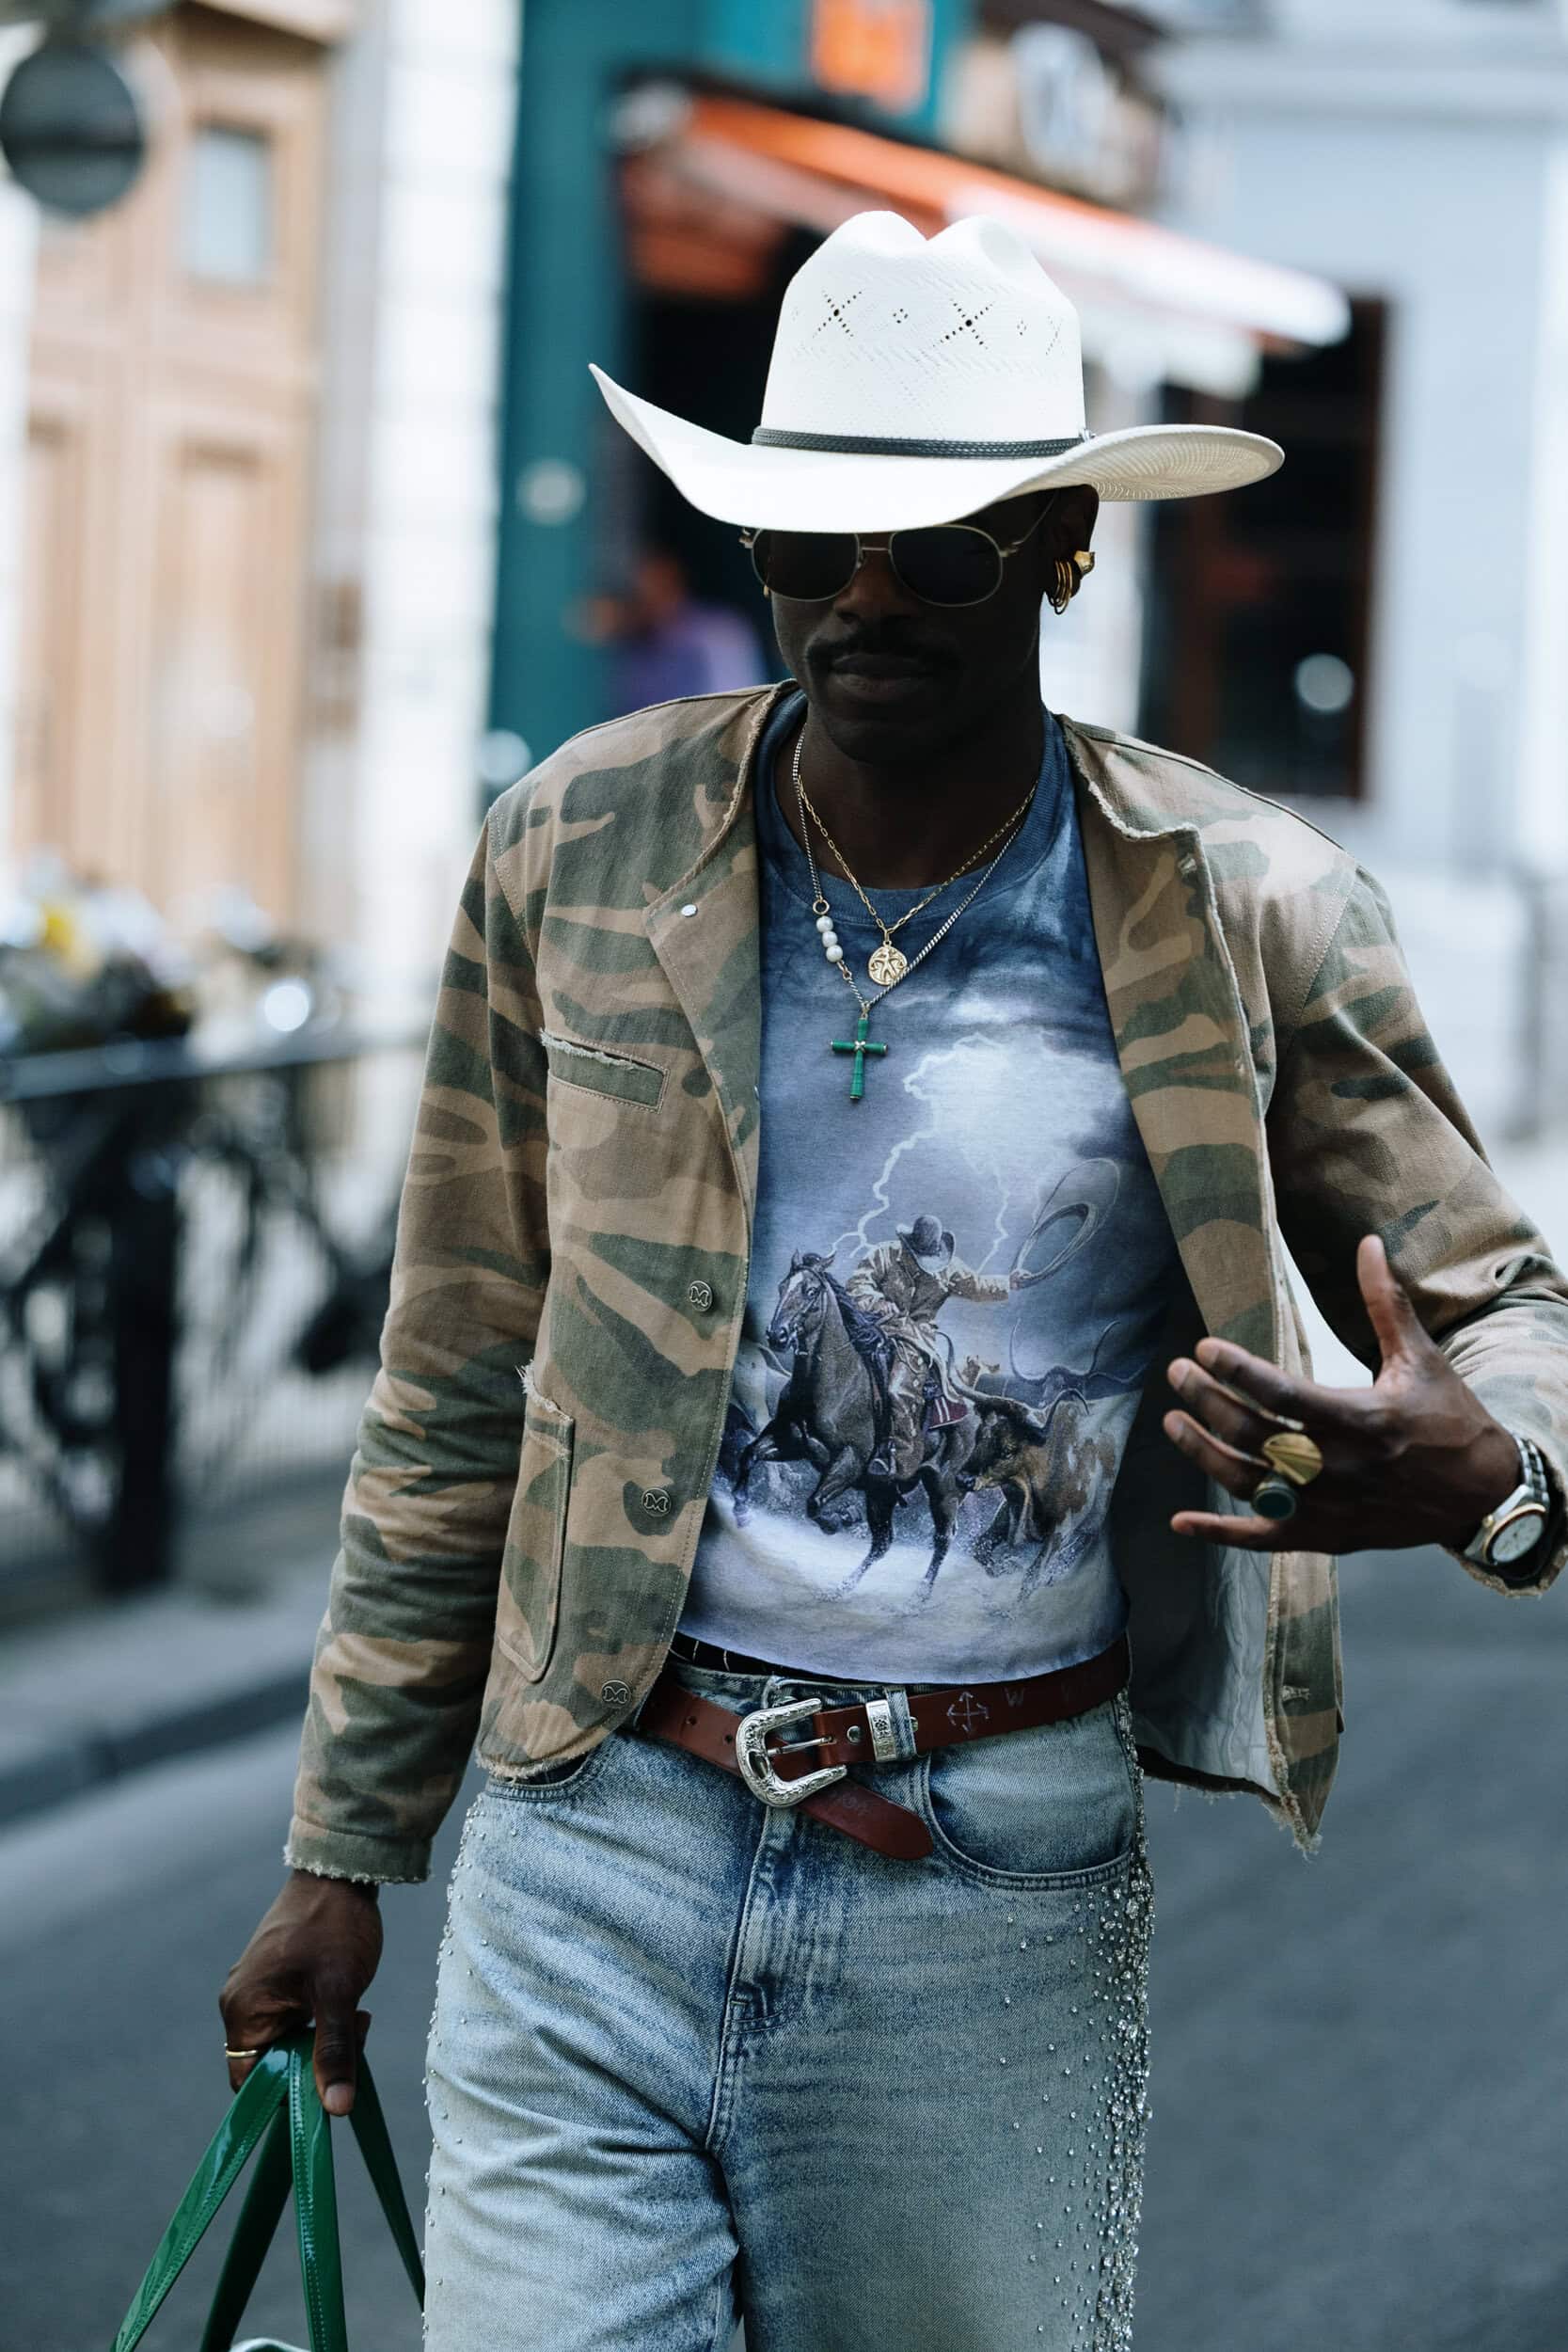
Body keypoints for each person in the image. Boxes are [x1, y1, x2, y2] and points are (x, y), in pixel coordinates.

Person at [220, 213, 1568, 2351]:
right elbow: (458, 1369)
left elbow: (1505, 1302)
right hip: (592, 1831)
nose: (859, 599)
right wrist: (340, 1848)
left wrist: (1495, 1474)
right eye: (805, 542)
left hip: (990, 1874)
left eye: (933, 552)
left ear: (1059, 550)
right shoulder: (579, 845)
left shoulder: (1242, 902)